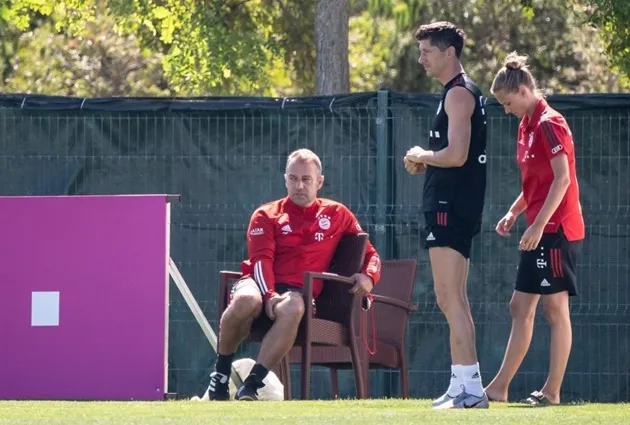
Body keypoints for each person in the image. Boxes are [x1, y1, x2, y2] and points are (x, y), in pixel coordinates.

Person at [205, 148, 382, 401]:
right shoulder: (265, 214)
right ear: (285, 179)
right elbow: (260, 261)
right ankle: (220, 376)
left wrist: (369, 276)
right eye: (293, 178)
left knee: (294, 305)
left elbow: (371, 254)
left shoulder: (338, 214)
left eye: (306, 179)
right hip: (258, 282)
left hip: (298, 293)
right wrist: (268, 295)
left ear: (319, 182)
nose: (299, 185)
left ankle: (252, 385)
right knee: (246, 300)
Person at [483, 52, 585, 406]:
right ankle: (498, 388)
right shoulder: (526, 124)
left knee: (554, 311)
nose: (506, 109)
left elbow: (562, 179)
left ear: (524, 91)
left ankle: (552, 392)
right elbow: (537, 184)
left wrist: (539, 225)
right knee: (520, 306)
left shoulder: (549, 123)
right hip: (540, 227)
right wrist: (514, 212)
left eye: (507, 102)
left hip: (557, 229)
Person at [403, 21, 489, 409]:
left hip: (449, 207)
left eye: (427, 51)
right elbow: (451, 157)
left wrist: (424, 155)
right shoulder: (453, 94)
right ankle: (462, 385)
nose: (421, 58)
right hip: (449, 201)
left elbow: (457, 155)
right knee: (451, 297)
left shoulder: (458, 95)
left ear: (449, 52)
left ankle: (471, 389)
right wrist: (428, 163)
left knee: (449, 296)